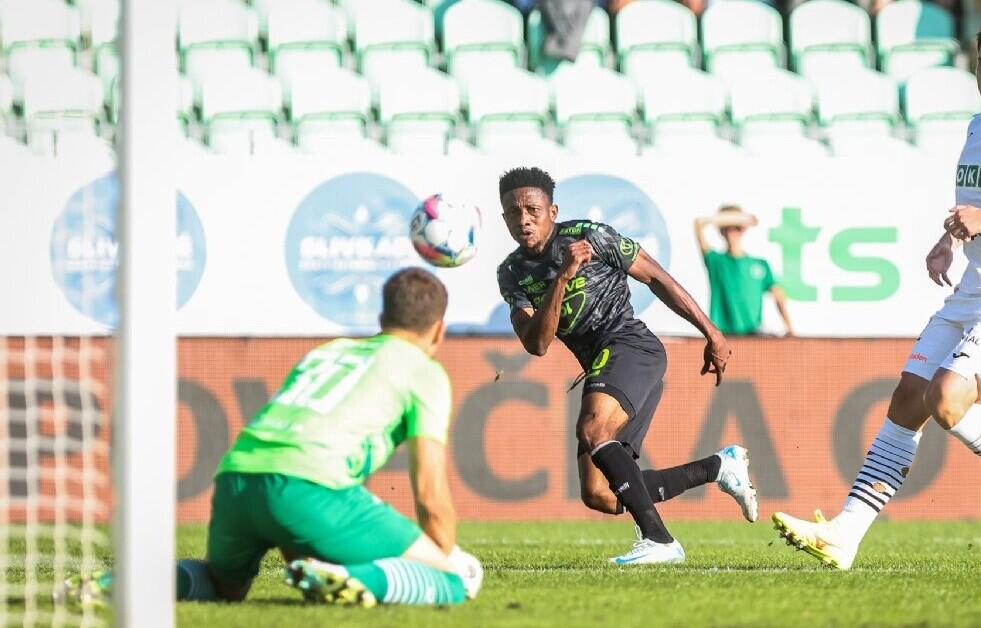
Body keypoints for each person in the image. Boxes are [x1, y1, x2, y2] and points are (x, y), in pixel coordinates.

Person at [772, 17, 981, 570]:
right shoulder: (977, 127)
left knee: (947, 399)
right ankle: (845, 534)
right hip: (973, 289)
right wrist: (950, 239)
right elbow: (978, 204)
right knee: (907, 400)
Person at [60, 268, 482, 607]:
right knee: (450, 580)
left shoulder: (330, 351)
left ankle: (117, 583)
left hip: (236, 479)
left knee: (224, 586)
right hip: (311, 490)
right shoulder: (425, 372)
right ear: (439, 330)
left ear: (381, 318)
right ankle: (354, 578)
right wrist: (442, 557)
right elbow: (429, 491)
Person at [495, 166, 760, 566]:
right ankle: (719, 467)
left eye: (532, 209)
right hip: (599, 364)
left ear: (552, 211)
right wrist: (563, 278)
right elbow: (537, 343)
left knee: (593, 429)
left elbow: (656, 278)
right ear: (505, 218)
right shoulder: (512, 272)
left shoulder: (591, 236)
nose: (524, 219)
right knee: (599, 494)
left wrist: (712, 332)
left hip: (631, 346)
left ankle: (660, 540)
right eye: (514, 212)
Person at [694, 205, 794, 337]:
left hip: (753, 335)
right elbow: (698, 224)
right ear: (721, 230)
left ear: (743, 229)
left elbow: (778, 295)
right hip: (722, 335)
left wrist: (789, 328)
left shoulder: (760, 264)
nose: (732, 232)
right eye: (727, 228)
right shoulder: (715, 261)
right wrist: (736, 218)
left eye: (737, 228)